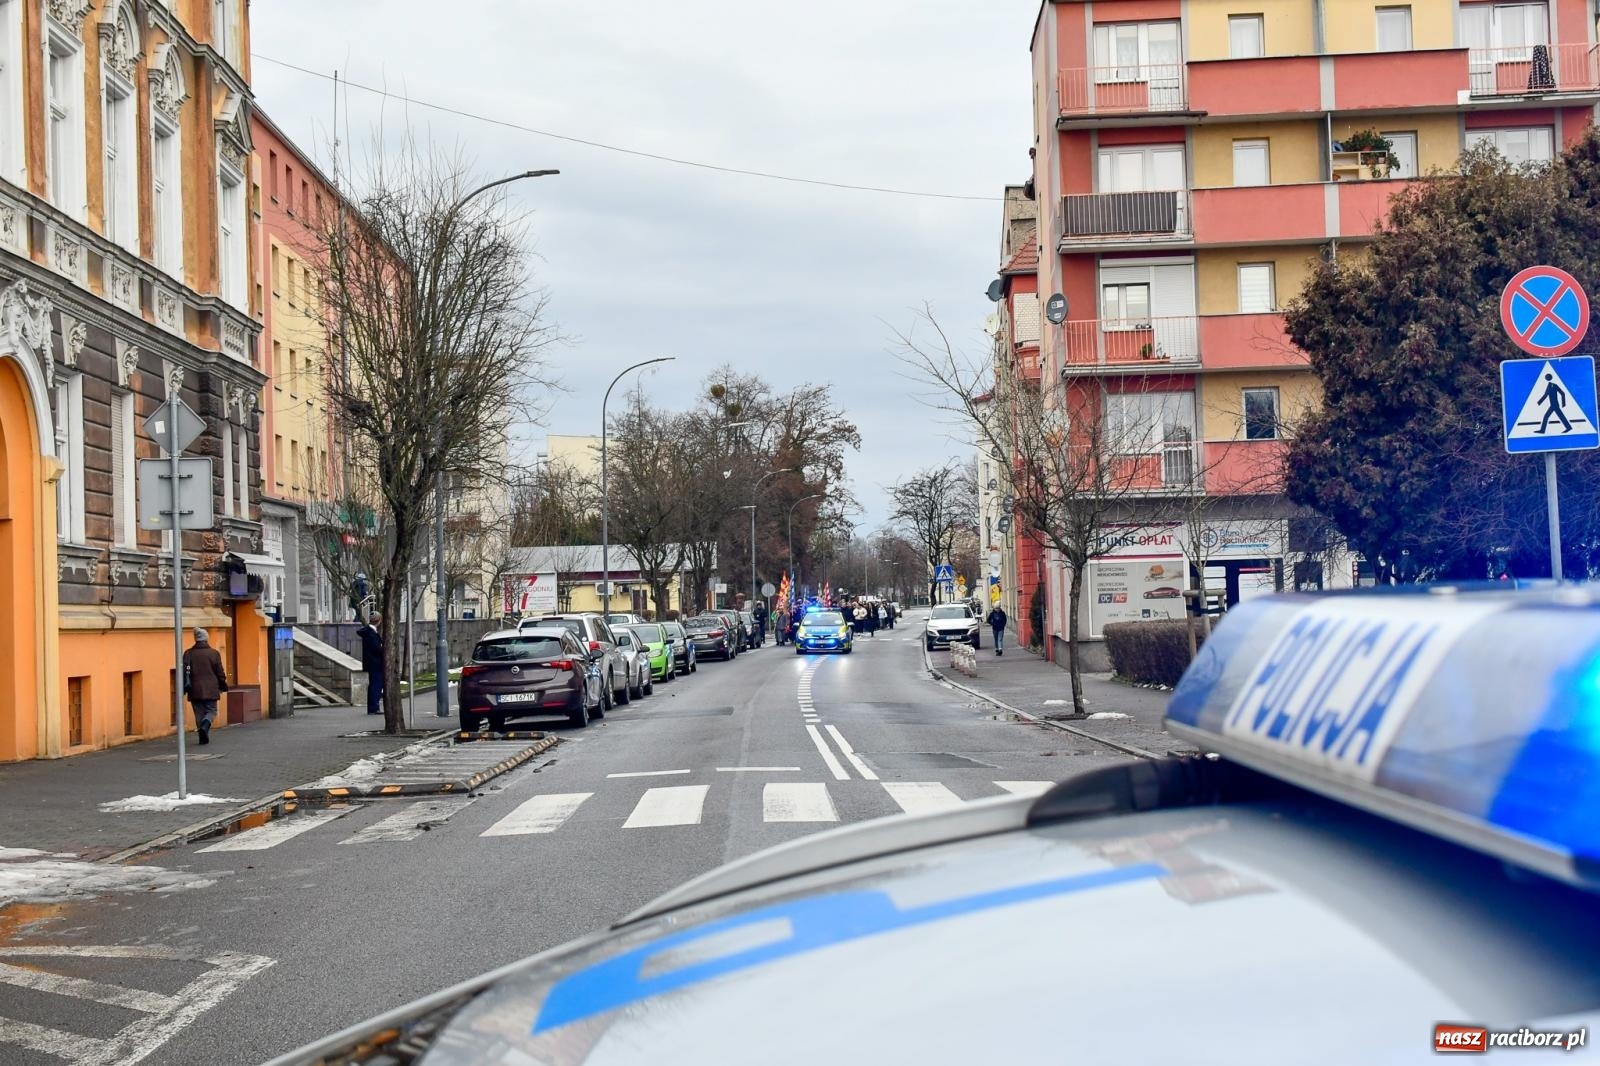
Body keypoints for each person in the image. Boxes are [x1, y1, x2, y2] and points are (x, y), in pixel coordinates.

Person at [182, 628, 228, 745]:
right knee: (211, 710)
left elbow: (184, 672)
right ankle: (206, 724)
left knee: (198, 713)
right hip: (211, 688)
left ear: (196, 639)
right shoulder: (214, 653)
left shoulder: (188, 653)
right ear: (206, 639)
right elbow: (220, 672)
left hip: (194, 688)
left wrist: (183, 688)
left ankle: (202, 736)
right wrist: (223, 684)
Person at [358, 612, 385, 716]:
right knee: (376, 685)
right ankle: (374, 707)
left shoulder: (368, 632)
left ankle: (373, 707)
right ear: (378, 621)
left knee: (374, 685)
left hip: (372, 663)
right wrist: (383, 648)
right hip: (375, 663)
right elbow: (376, 649)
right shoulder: (371, 633)